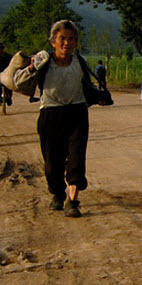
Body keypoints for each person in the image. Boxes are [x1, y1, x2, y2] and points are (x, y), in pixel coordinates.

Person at [13, 20, 93, 218]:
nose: (67, 43)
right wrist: (31, 68)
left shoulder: (80, 62)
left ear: (76, 42)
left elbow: (88, 86)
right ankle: (57, 193)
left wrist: (99, 97)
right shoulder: (44, 61)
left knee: (76, 157)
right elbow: (18, 81)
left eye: (71, 39)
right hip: (51, 113)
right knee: (52, 161)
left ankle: (72, 200)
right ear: (53, 42)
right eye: (62, 39)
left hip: (77, 113)